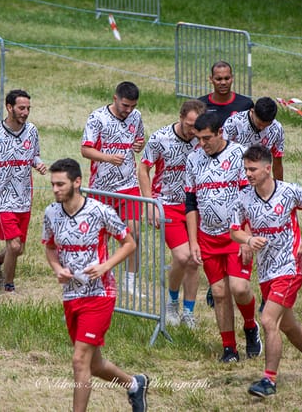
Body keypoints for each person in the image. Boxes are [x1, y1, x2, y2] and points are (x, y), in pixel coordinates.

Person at [42, 158, 150, 412]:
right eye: (53, 185)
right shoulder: (51, 213)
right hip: (71, 295)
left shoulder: (99, 211)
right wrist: (58, 269)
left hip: (100, 294)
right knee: (94, 364)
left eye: (60, 184)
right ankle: (135, 384)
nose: (55, 189)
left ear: (77, 182)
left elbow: (129, 243)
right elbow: (49, 248)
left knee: (79, 360)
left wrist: (105, 267)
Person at [231, 145, 302, 398]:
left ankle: (269, 381)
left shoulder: (289, 192)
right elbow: (234, 230)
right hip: (266, 270)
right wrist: (247, 239)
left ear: (268, 168)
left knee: (267, 319)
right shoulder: (243, 197)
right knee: (286, 324)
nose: (248, 174)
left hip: (290, 265)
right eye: (246, 169)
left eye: (253, 169)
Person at [185, 112, 262, 362]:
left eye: (207, 138)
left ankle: (250, 326)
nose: (202, 143)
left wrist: (247, 236)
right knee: (218, 293)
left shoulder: (239, 155)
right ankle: (229, 348)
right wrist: (194, 241)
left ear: (220, 133)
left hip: (235, 234)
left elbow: (249, 198)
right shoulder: (194, 158)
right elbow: (190, 202)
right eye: (198, 139)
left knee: (239, 288)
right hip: (207, 236)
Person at [138, 99, 206, 328]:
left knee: (194, 260)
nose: (192, 130)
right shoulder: (160, 138)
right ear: (181, 118)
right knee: (182, 256)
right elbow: (143, 167)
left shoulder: (203, 139)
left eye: (197, 126)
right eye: (189, 124)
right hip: (166, 202)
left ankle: (188, 311)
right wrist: (149, 203)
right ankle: (171, 301)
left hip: (194, 204)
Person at [0, 89, 47, 294]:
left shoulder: (31, 131)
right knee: (14, 246)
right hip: (2, 197)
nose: (25, 112)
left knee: (19, 249)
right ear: (9, 107)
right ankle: (9, 287)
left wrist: (38, 164)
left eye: (28, 108)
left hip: (24, 196)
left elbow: (34, 155)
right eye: (21, 108)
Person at [81, 81, 146, 297]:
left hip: (129, 185)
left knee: (133, 232)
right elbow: (85, 150)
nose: (128, 110)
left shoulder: (136, 117)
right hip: (102, 188)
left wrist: (139, 145)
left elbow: (139, 140)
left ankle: (131, 282)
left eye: (132, 106)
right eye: (125, 105)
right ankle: (94, 279)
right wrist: (108, 157)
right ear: (115, 98)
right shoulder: (97, 117)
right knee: (100, 237)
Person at [223, 96, 285, 185]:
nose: (261, 128)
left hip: (260, 178)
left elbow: (277, 162)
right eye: (259, 124)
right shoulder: (234, 123)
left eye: (266, 125)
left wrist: (280, 189)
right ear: (252, 111)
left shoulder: (277, 129)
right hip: (233, 176)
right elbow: (222, 153)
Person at [198, 60, 254, 125]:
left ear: (232, 78)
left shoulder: (246, 104)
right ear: (211, 79)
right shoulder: (200, 105)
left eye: (227, 78)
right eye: (218, 79)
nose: (223, 82)